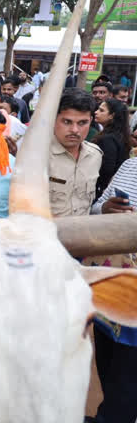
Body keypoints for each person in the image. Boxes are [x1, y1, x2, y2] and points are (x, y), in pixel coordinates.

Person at [87, 158, 137, 423]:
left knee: (128, 373)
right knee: (107, 360)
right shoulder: (129, 165)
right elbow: (97, 208)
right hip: (111, 279)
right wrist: (106, 207)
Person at [48, 88, 102, 217]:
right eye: (67, 122)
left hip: (82, 234)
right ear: (53, 119)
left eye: (82, 123)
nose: (75, 130)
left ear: (91, 120)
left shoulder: (95, 155)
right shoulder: (36, 155)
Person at [92, 98, 130, 199]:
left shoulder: (108, 138)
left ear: (112, 116)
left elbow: (107, 169)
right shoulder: (120, 135)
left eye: (101, 110)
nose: (96, 112)